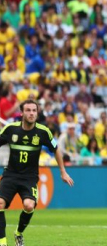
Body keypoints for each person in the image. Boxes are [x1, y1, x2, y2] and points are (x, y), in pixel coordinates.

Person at [0, 99, 74, 246]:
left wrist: (63, 172)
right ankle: (2, 242)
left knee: (29, 205)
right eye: (28, 110)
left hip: (29, 178)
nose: (31, 113)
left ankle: (19, 233)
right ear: (21, 113)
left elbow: (56, 149)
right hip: (10, 175)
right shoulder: (10, 130)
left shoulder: (43, 132)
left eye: (34, 110)